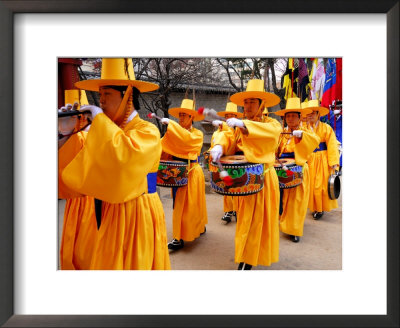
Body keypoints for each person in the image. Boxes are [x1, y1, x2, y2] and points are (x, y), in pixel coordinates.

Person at [59, 58, 170, 269]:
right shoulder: (107, 131)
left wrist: (99, 121)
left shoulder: (147, 131)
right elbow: (79, 165)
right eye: (100, 95)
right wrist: (66, 135)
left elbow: (124, 159)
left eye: (106, 94)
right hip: (108, 210)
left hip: (137, 212)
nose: (101, 101)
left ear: (127, 95)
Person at [210, 79, 282, 270]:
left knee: (260, 220)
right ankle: (245, 253)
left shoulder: (271, 123)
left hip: (264, 178)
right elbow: (229, 138)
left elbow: (273, 134)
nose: (248, 106)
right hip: (245, 179)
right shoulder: (239, 125)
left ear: (261, 104)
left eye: (252, 102)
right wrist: (219, 145)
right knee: (245, 220)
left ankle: (251, 257)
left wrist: (245, 125)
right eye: (246, 102)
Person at [160, 98, 208, 250]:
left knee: (193, 205)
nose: (181, 118)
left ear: (192, 117)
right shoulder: (174, 132)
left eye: (184, 115)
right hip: (177, 173)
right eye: (179, 115)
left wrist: (171, 125)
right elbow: (163, 145)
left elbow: (187, 141)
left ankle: (198, 227)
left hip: (192, 172)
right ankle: (178, 237)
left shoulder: (198, 134)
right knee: (179, 206)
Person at [58, 89, 97, 269]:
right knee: (72, 245)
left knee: (85, 249)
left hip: (92, 199)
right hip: (75, 201)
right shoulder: (76, 135)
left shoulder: (95, 134)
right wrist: (64, 135)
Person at [275, 98, 320, 242]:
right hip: (282, 168)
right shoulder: (282, 133)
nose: (290, 119)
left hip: (298, 168)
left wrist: (302, 136)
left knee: (296, 200)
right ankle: (282, 223)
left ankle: (294, 229)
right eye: (288, 116)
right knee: (281, 198)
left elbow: (315, 140)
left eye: (293, 116)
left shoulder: (305, 131)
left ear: (300, 117)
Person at [306, 99, 340, 220]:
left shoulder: (326, 128)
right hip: (309, 159)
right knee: (310, 185)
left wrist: (333, 162)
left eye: (313, 113)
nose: (310, 115)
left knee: (320, 186)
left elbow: (332, 144)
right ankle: (313, 207)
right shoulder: (304, 128)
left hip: (322, 159)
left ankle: (319, 209)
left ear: (318, 114)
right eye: (308, 113)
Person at [210, 102, 243, 224]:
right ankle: (229, 211)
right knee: (227, 189)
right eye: (227, 115)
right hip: (225, 161)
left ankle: (238, 210)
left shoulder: (240, 129)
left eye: (232, 115)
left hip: (239, 162)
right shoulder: (221, 131)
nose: (229, 117)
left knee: (239, 187)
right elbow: (218, 141)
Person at [329, 100, 342, 174]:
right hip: (333, 139)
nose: (336, 109)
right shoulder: (330, 117)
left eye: (339, 108)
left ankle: (339, 168)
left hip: (341, 138)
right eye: (334, 108)